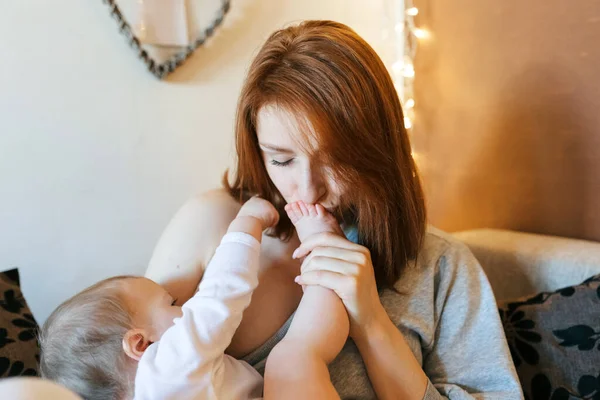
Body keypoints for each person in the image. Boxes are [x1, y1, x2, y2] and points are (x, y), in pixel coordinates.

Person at [146, 20, 523, 399]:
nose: (309, 189)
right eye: (282, 160)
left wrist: (372, 322)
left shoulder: (442, 267)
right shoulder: (213, 225)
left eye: (336, 160)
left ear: (375, 148)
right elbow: (114, 372)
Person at [38, 196, 347, 400]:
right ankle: (324, 251)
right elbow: (220, 293)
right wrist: (247, 223)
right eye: (172, 303)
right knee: (293, 359)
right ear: (140, 345)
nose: (186, 304)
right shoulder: (170, 366)